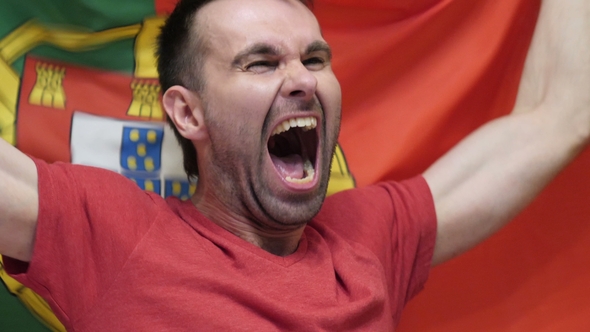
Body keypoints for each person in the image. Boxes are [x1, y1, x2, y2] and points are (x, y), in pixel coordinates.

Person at [0, 0, 588, 330]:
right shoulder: (114, 232)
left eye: (314, 57)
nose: (304, 80)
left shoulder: (368, 235)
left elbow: (556, 116)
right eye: (260, 63)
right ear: (187, 112)